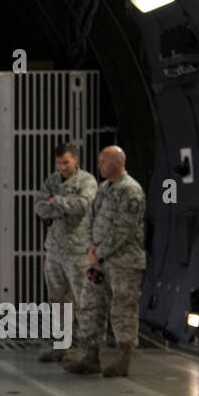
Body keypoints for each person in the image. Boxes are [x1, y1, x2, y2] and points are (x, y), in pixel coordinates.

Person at [63, 145, 146, 377]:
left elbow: (124, 229)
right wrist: (91, 247)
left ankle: (123, 359)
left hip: (123, 263)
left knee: (123, 309)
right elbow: (92, 219)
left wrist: (101, 251)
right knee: (90, 305)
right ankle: (91, 356)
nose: (99, 165)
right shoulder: (103, 189)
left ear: (118, 162)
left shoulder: (131, 190)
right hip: (98, 261)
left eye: (103, 161)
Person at [35, 142, 96, 362]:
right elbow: (39, 206)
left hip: (78, 250)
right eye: (59, 162)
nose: (62, 167)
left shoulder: (86, 181)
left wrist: (57, 202)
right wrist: (63, 205)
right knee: (58, 300)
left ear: (76, 160)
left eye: (66, 162)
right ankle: (61, 346)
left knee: (83, 300)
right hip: (54, 249)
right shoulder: (52, 180)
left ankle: (88, 348)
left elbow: (84, 205)